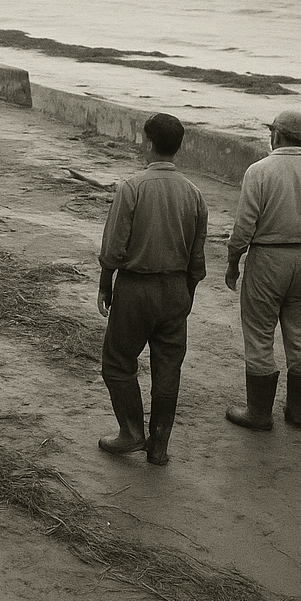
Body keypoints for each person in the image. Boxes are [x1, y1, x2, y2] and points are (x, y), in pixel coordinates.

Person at [96, 113, 209, 466]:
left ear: (148, 143)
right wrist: (186, 293)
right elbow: (198, 256)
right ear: (178, 147)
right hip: (176, 288)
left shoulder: (133, 187)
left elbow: (114, 246)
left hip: (136, 287)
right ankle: (158, 446)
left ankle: (131, 432)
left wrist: (106, 285)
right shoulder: (193, 193)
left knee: (117, 363)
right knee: (168, 368)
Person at [225, 109, 301, 432]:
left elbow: (244, 227)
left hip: (268, 258)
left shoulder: (259, 171)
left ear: (275, 134)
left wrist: (234, 262)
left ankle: (259, 414)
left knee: (260, 335)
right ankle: (297, 412)